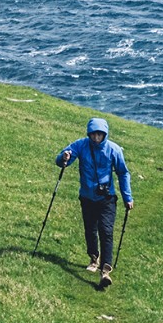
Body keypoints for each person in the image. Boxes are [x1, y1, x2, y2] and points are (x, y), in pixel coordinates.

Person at [55, 117, 132, 286]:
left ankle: (105, 271)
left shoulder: (114, 149)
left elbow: (123, 173)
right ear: (89, 134)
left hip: (107, 199)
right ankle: (93, 258)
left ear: (105, 134)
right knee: (90, 230)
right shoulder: (80, 145)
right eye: (93, 134)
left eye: (100, 134)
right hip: (87, 197)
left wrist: (128, 197)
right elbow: (61, 161)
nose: (96, 138)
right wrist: (64, 157)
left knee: (106, 231)